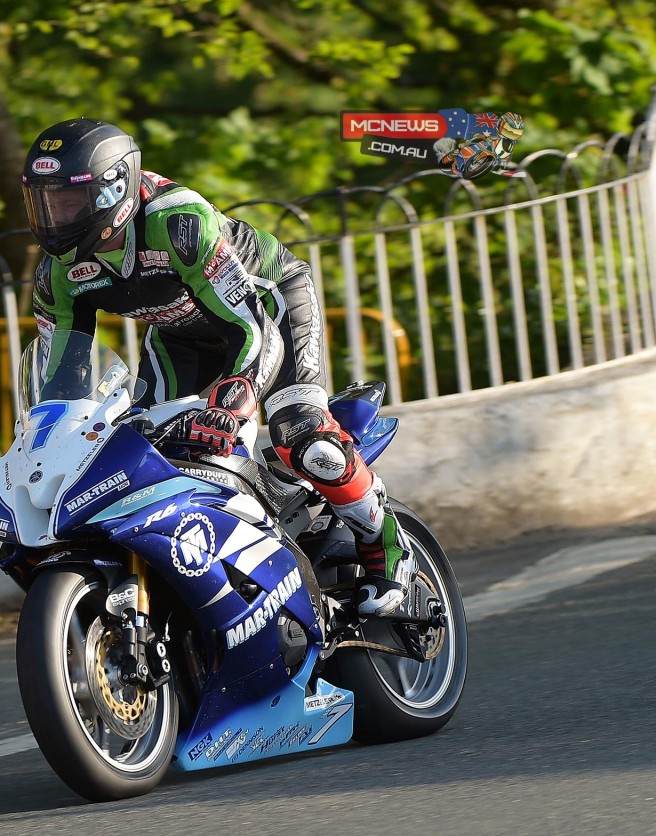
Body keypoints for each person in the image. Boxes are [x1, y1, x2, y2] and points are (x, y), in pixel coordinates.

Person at [22, 117, 415, 617]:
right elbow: (61, 381)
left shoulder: (178, 221)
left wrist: (235, 401)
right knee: (137, 451)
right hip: (179, 336)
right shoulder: (56, 275)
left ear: (113, 190)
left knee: (303, 435)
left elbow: (252, 327)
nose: (54, 217)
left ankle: (382, 539)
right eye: (43, 201)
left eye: (67, 201)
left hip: (267, 309)